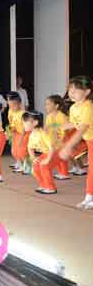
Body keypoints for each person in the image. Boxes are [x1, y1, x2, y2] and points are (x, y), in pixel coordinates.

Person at [59, 76, 93, 209]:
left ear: (87, 92)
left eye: (75, 90)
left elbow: (82, 129)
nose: (71, 93)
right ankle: (89, 197)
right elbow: (74, 124)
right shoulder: (73, 108)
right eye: (69, 90)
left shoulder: (88, 107)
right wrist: (58, 127)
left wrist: (68, 146)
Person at [24, 111, 65, 195]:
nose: (23, 124)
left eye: (25, 122)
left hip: (57, 152)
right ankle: (43, 185)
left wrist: (47, 160)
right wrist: (33, 158)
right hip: (47, 153)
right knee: (36, 167)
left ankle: (51, 188)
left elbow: (52, 147)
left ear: (35, 123)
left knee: (44, 166)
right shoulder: (32, 134)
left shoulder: (44, 133)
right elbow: (30, 147)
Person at [44, 95, 71, 180]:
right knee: (58, 157)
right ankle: (61, 172)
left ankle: (64, 173)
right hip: (54, 140)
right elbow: (47, 128)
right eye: (45, 104)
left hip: (62, 140)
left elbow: (66, 130)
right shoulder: (49, 116)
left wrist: (60, 141)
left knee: (62, 157)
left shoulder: (62, 116)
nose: (46, 106)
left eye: (48, 104)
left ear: (56, 106)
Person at [7, 92, 29, 174]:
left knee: (22, 151)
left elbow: (24, 127)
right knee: (14, 151)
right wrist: (10, 132)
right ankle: (19, 164)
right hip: (15, 133)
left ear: (19, 104)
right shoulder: (10, 111)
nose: (12, 107)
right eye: (10, 105)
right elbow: (11, 123)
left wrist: (21, 137)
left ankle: (27, 166)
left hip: (23, 133)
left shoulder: (22, 113)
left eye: (14, 105)